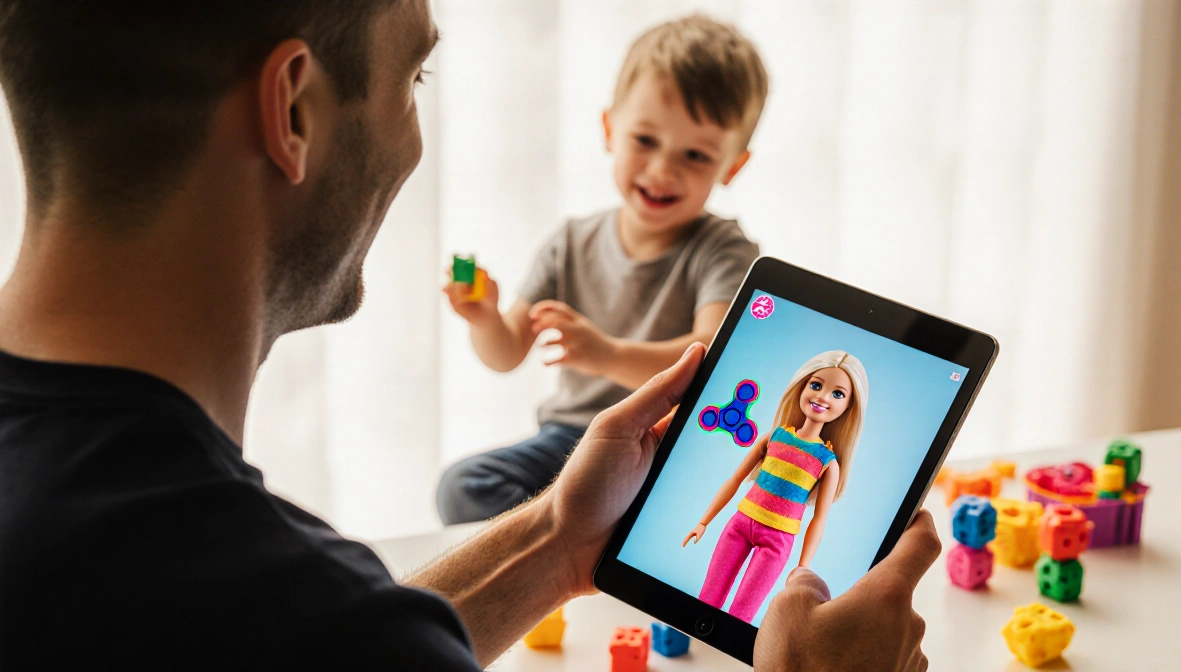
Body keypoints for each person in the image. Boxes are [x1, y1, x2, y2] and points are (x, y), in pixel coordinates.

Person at [0, 2, 938, 670]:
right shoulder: (302, 619)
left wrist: (557, 545)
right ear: (292, 109)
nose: (416, 142)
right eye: (415, 75)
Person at [438, 15, 763, 525]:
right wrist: (484, 319)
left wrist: (607, 354)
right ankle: (571, 537)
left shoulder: (722, 249)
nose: (662, 170)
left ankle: (580, 533)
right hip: (570, 442)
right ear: (610, 130)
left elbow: (706, 357)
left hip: (661, 443)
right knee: (464, 486)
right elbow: (506, 353)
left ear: (732, 167)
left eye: (696, 155)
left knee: (687, 504)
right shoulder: (571, 243)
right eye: (645, 140)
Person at [684, 351, 869, 624]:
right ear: (802, 386)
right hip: (739, 524)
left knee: (742, 613)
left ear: (849, 407)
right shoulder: (775, 436)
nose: (823, 397)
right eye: (816, 385)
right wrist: (704, 521)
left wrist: (802, 567)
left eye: (838, 394)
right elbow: (735, 479)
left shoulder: (827, 462)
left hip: (778, 540)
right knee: (708, 597)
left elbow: (819, 518)